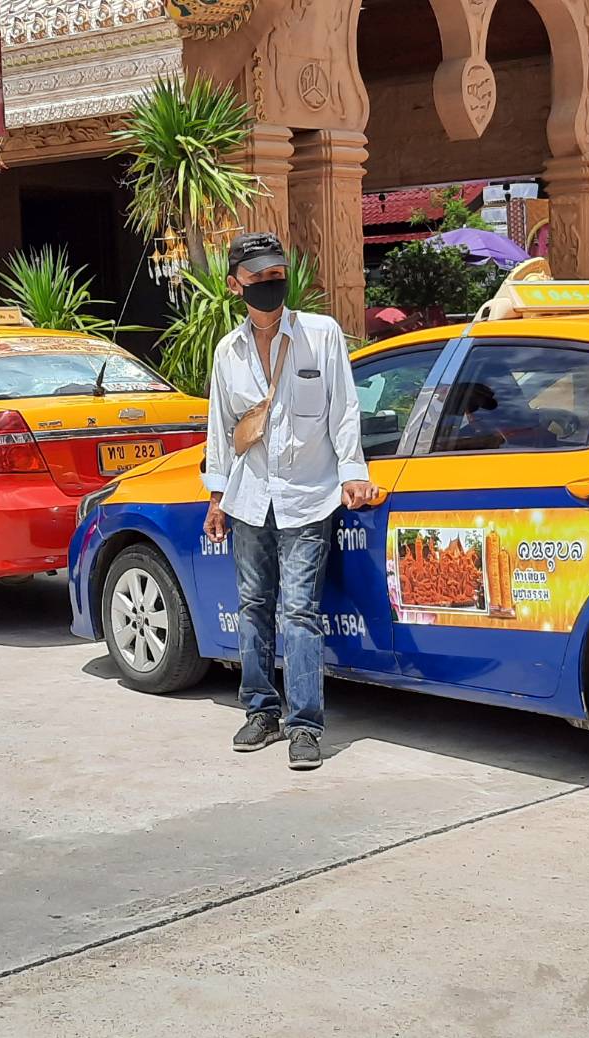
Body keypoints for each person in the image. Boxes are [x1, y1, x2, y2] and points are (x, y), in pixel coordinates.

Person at [203, 232, 378, 770]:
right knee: (253, 606)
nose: (270, 283)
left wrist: (353, 472)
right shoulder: (228, 352)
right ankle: (260, 711)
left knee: (299, 611)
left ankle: (305, 726)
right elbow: (220, 429)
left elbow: (344, 409)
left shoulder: (320, 335)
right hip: (250, 498)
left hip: (308, 496)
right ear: (235, 285)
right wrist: (216, 498)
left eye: (276, 274)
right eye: (257, 277)